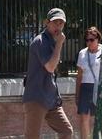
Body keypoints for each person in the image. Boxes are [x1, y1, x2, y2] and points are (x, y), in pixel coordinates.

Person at [23, 8, 73, 139]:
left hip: (51, 99)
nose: (58, 26)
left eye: (61, 23)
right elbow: (50, 67)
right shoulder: (40, 41)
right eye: (55, 22)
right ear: (47, 22)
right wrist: (60, 44)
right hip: (36, 97)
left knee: (66, 131)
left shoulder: (52, 42)